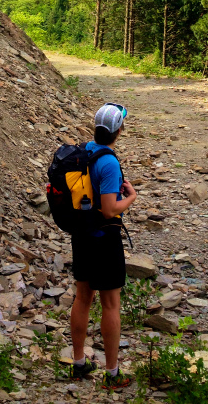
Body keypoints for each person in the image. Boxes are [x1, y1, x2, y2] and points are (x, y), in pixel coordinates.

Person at [69, 103, 137, 389]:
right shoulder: (109, 162)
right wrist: (131, 197)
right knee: (110, 304)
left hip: (81, 233)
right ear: (118, 130)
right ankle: (112, 374)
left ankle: (78, 364)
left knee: (82, 297)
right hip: (104, 237)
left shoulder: (86, 150)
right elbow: (110, 210)